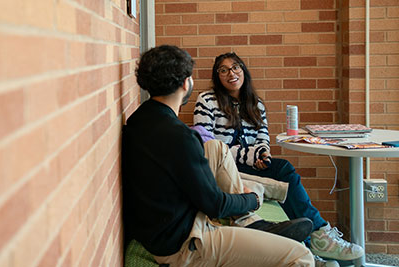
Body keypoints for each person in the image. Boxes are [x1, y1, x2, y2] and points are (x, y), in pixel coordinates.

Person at [122, 45, 316, 267]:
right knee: (300, 255)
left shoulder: (139, 120)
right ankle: (254, 211)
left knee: (215, 147)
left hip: (163, 227)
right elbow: (214, 204)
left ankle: (250, 223)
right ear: (186, 83)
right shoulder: (180, 137)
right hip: (185, 243)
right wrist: (250, 200)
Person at [194, 52, 365, 265]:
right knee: (285, 171)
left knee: (283, 169)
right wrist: (252, 155)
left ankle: (314, 240)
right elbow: (208, 147)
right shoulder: (207, 100)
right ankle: (319, 233)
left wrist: (263, 155)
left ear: (243, 70)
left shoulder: (255, 103)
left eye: (236, 67)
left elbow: (263, 140)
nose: (231, 73)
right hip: (223, 167)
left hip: (250, 164)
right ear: (217, 76)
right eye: (223, 70)